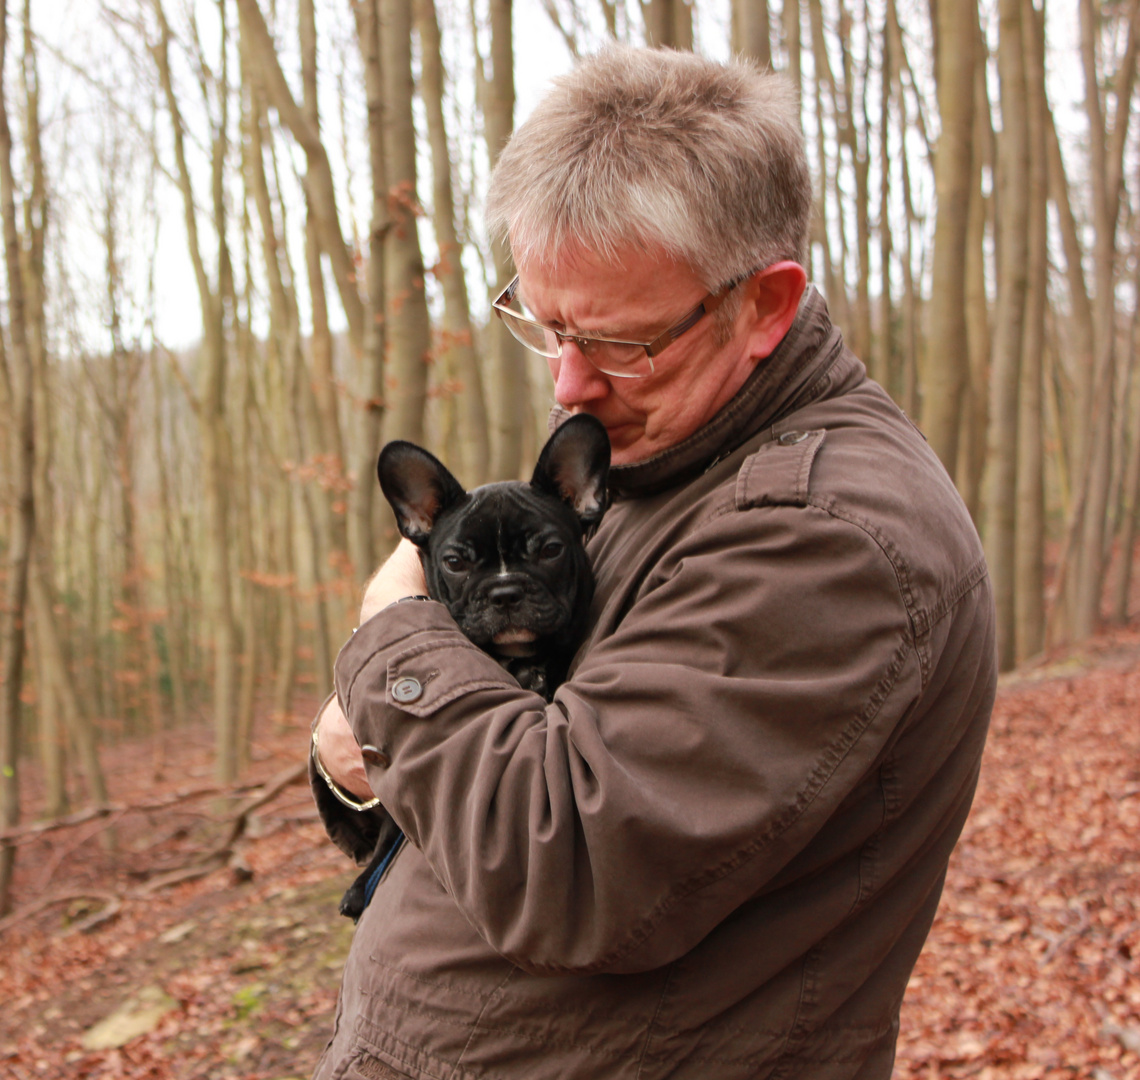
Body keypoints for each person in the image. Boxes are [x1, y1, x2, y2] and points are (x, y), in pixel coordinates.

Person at [309, 45, 996, 1080]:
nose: (569, 389)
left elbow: (565, 857)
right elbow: (463, 796)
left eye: (624, 343)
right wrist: (361, 771)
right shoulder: (659, 455)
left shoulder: (831, 533)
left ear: (764, 305)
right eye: (547, 330)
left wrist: (389, 643)